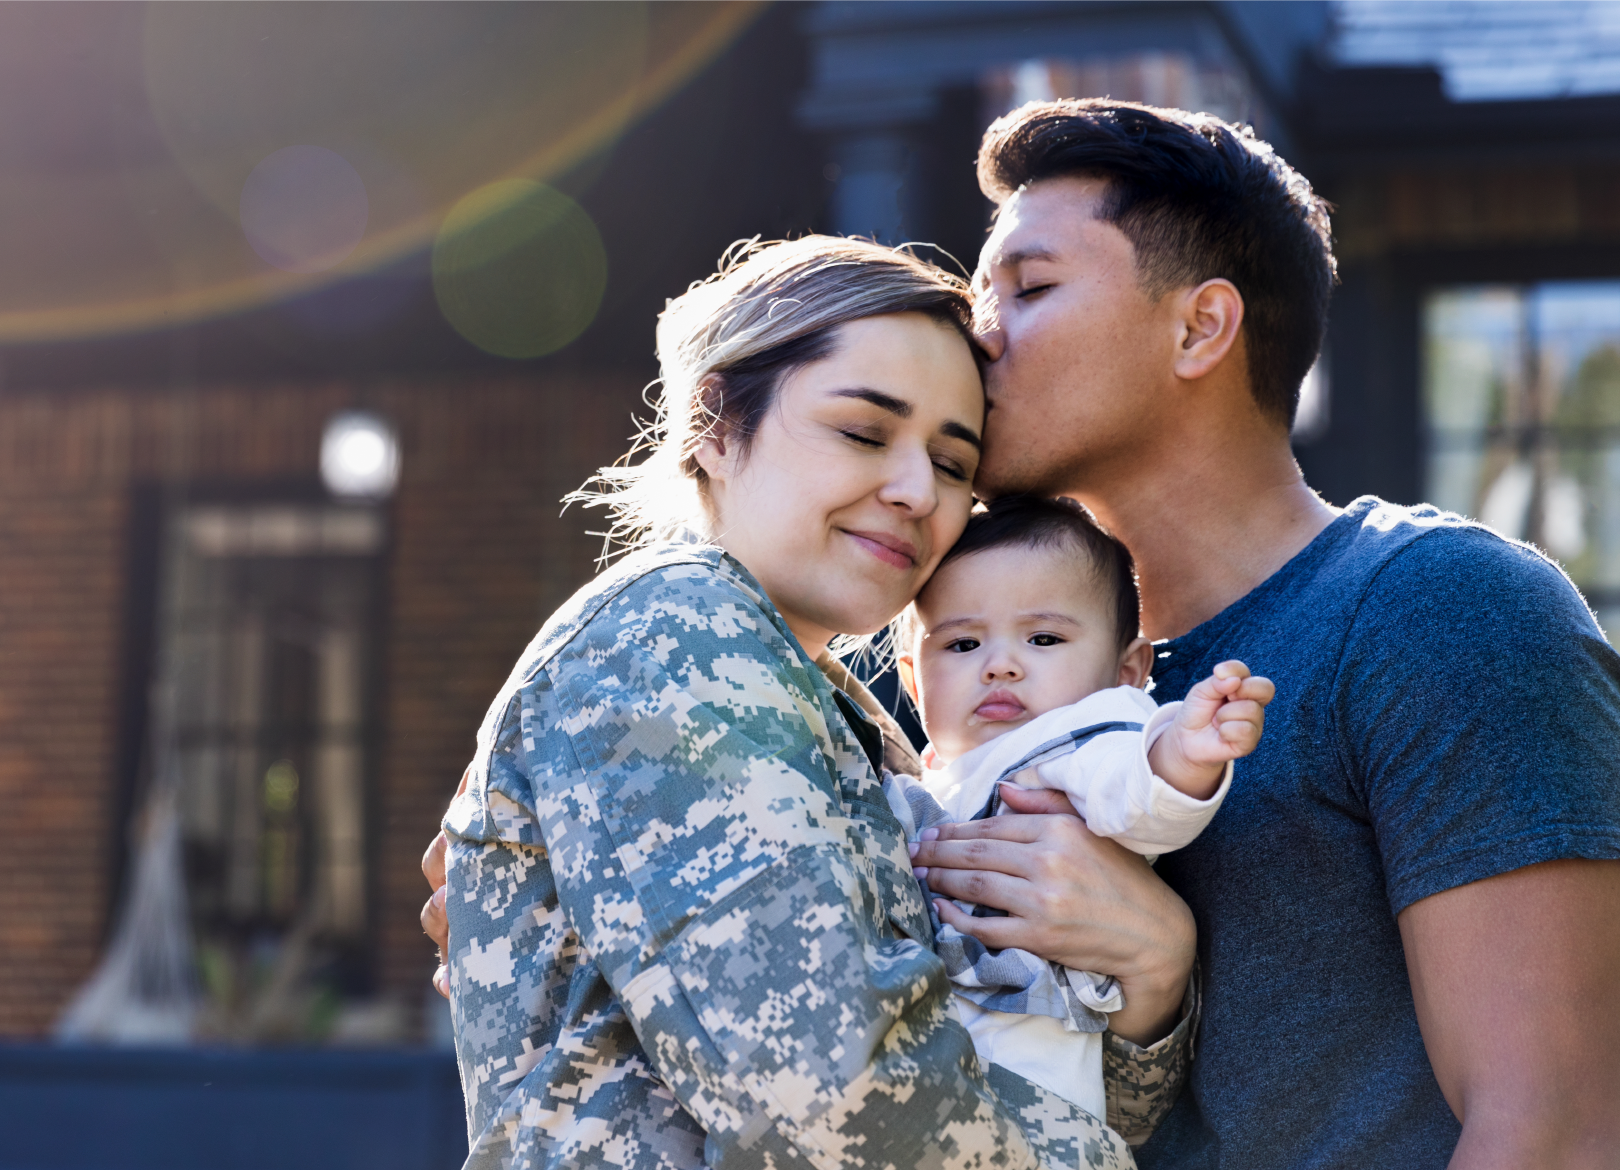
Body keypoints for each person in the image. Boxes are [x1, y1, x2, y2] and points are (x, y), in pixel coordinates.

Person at [907, 99, 1620, 1168]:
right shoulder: (969, 665)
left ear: (1201, 327)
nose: (978, 334)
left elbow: (1555, 1135)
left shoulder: (1442, 613)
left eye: (1028, 288)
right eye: (983, 294)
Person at [435, 235, 1195, 1169]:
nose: (918, 491)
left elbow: (1012, 1074)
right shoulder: (674, 637)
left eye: (954, 464)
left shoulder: (835, 709)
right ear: (715, 424)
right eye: (863, 433)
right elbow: (841, 1107)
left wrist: (1153, 973)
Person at [880, 493, 1273, 1123]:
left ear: (1126, 672)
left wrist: (1183, 753)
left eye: (1042, 638)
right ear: (913, 677)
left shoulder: (1075, 737)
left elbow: (1134, 796)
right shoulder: (933, 775)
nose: (1000, 666)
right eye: (961, 645)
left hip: (1031, 1084)